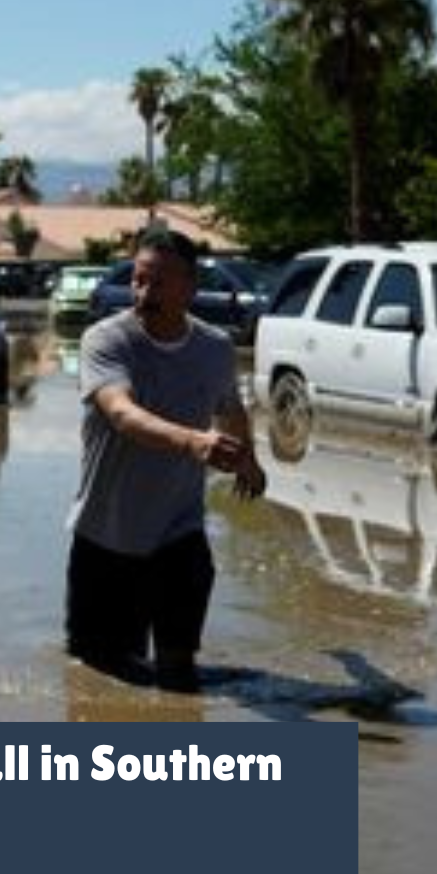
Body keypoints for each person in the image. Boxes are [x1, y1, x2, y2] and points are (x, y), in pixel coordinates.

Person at [67, 229, 264, 690]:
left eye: (157, 283)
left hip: (178, 531)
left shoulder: (214, 348)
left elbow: (230, 409)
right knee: (101, 679)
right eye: (138, 281)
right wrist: (195, 443)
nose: (143, 294)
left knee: (179, 675)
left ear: (190, 287)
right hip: (105, 537)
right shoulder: (105, 340)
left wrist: (249, 460)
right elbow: (122, 413)